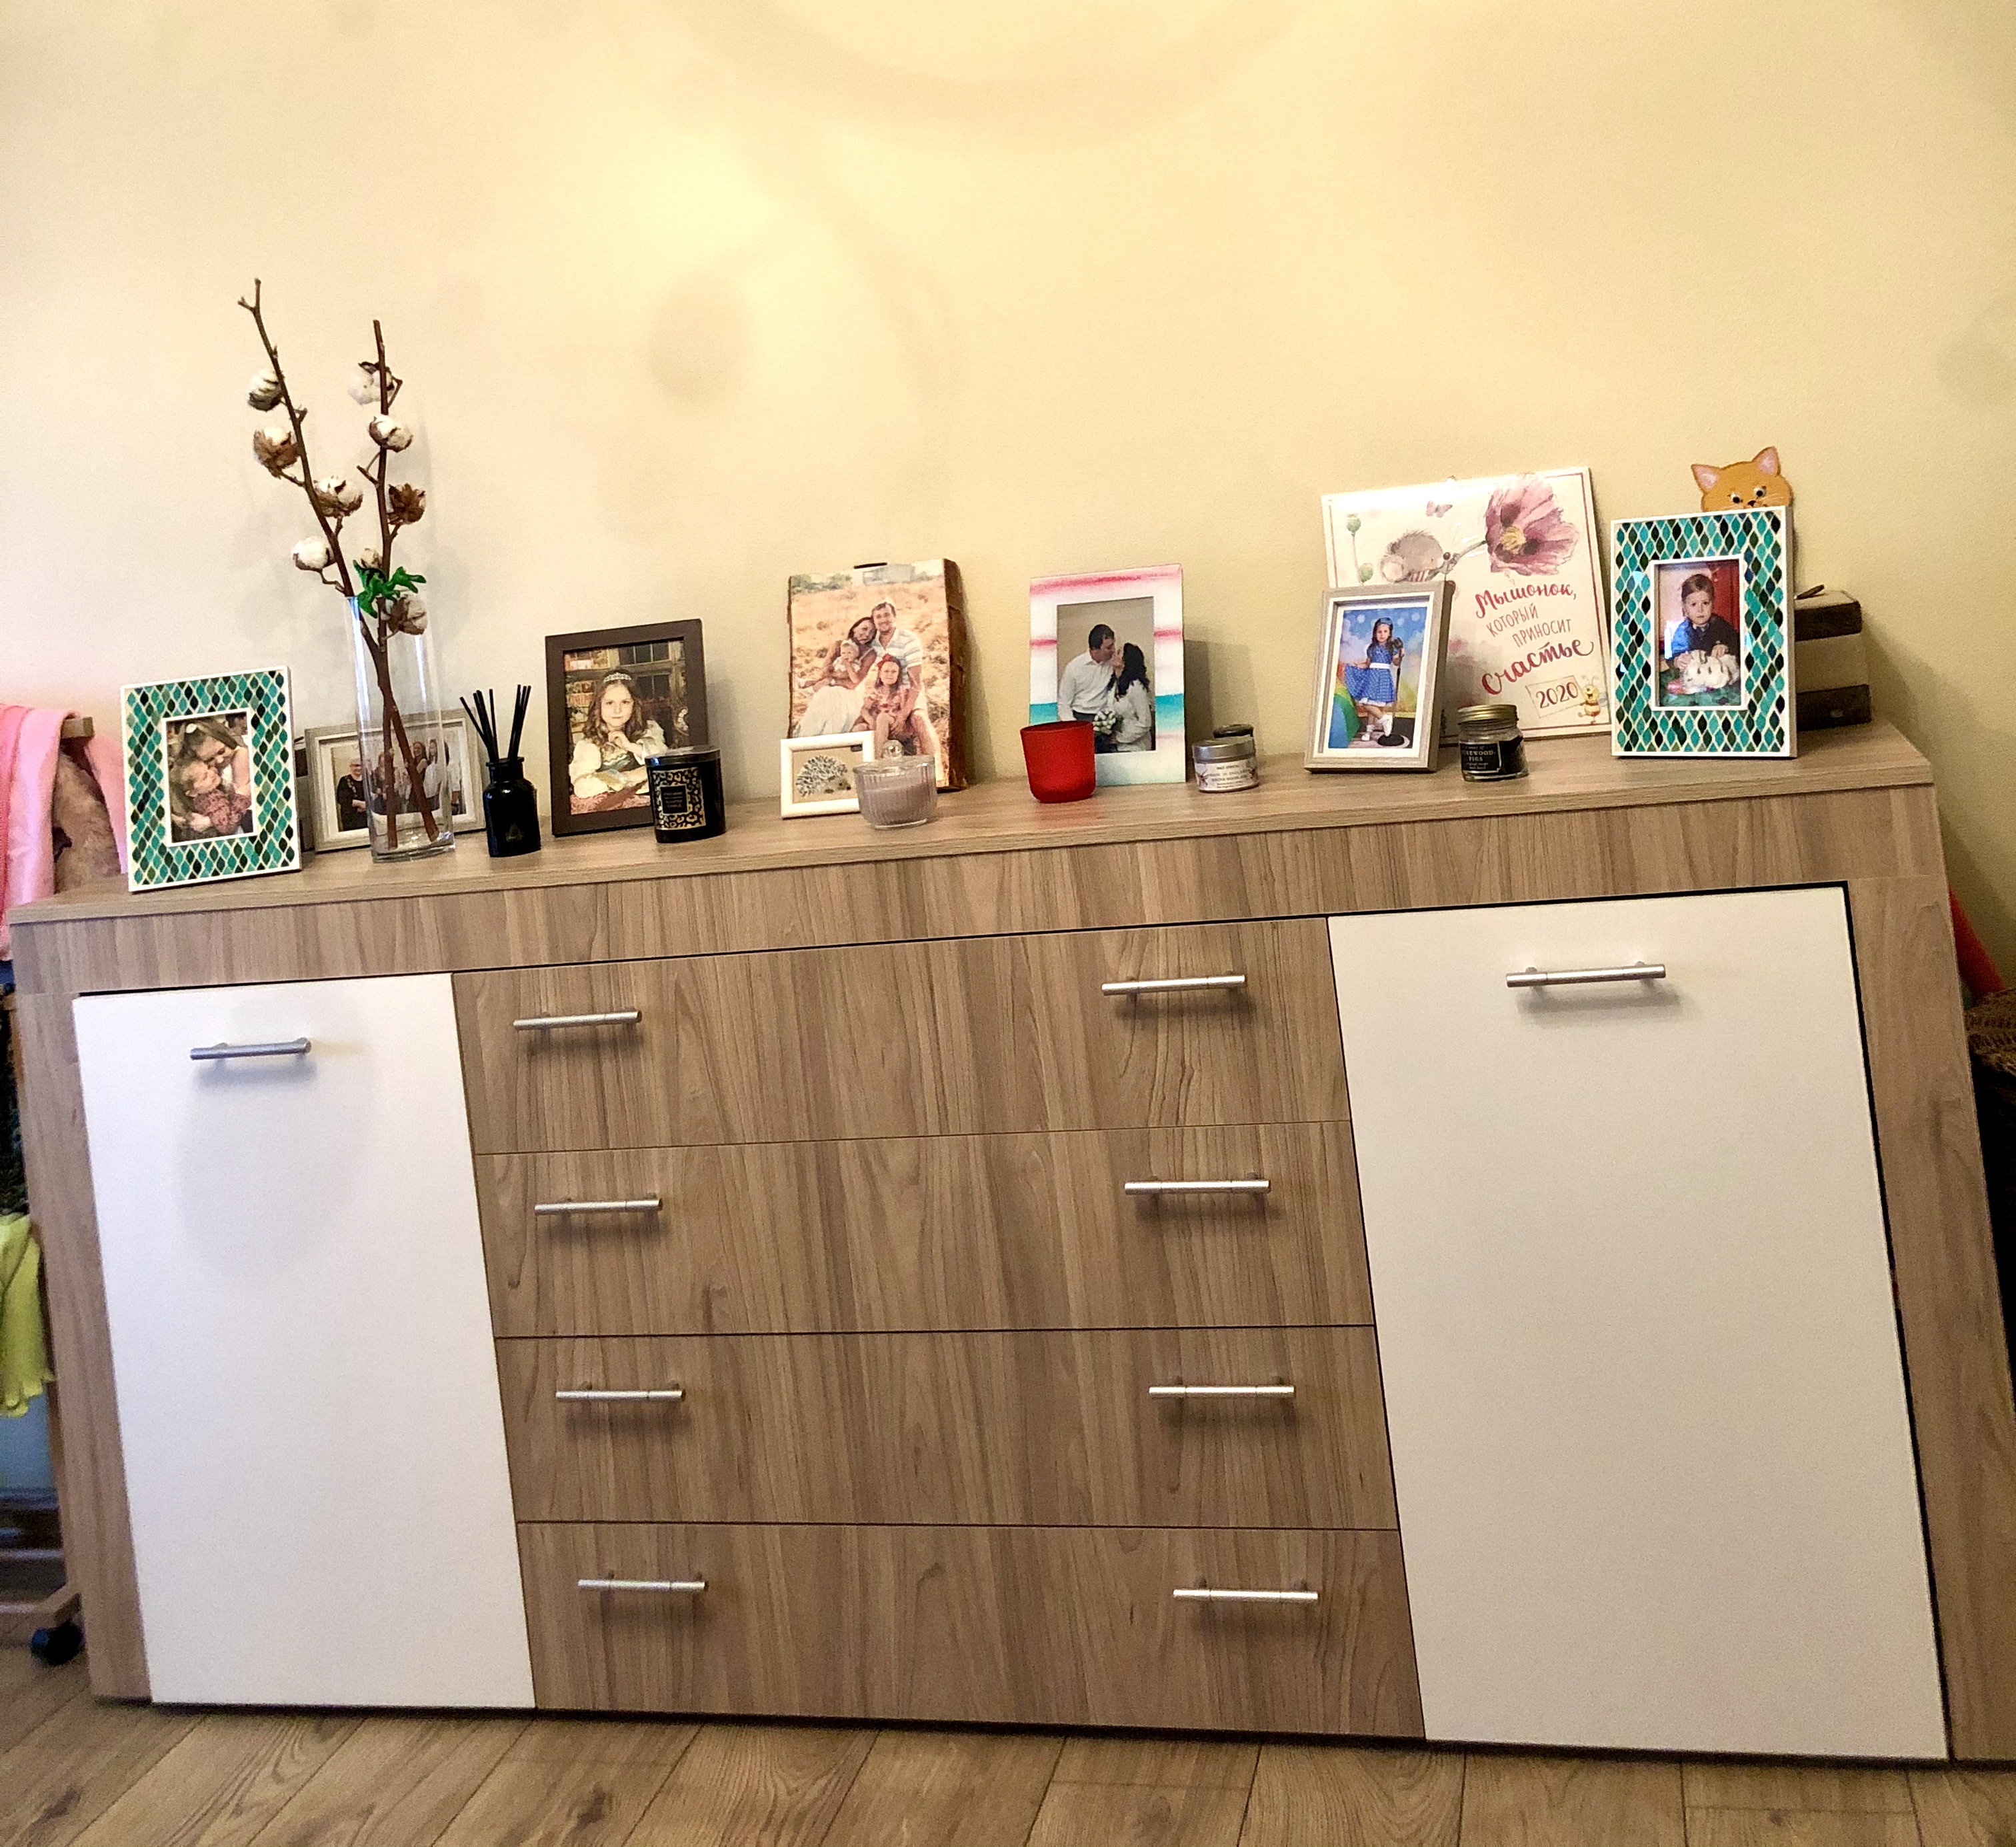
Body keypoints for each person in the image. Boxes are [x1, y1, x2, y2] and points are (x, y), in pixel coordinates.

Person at [569, 669, 666, 807]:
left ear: (635, 705)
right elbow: (582, 787)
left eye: (625, 702)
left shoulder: (649, 730)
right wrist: (630, 776)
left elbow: (663, 761)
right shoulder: (591, 743)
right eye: (610, 703)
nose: (617, 710)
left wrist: (630, 746)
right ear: (599, 705)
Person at [857, 653, 942, 763]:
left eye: (894, 672)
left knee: (883, 717)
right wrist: (871, 721)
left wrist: (896, 719)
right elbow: (864, 709)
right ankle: (862, 759)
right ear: (880, 674)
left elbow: (903, 712)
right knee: (859, 728)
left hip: (897, 726)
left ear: (898, 675)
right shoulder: (876, 692)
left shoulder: (902, 691)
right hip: (880, 726)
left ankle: (879, 758)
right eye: (886, 671)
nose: (890, 675)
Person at [796, 628, 874, 737]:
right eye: (864, 629)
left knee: (836, 698)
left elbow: (854, 681)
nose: (866, 634)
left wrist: (844, 669)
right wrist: (833, 674)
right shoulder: (839, 651)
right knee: (825, 693)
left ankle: (829, 732)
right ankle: (810, 731)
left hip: (848, 689)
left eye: (871, 632)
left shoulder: (859, 661)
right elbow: (827, 670)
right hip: (832, 683)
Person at [167, 744, 253, 842]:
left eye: (208, 768)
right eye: (205, 777)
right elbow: (228, 826)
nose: (212, 773)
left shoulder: (210, 792)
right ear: (191, 793)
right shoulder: (211, 800)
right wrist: (240, 797)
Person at [1056, 623, 1119, 752]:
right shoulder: (1074, 667)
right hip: (1080, 719)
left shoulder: (1113, 664)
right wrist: (1074, 729)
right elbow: (1064, 703)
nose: (1113, 650)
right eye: (1109, 647)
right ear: (1095, 649)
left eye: (1113, 645)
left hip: (1105, 720)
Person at [1344, 617, 1404, 745]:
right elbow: (1368, 664)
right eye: (1379, 632)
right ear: (1375, 633)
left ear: (1389, 633)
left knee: (1376, 706)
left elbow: (1396, 663)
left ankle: (1383, 721)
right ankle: (1372, 729)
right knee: (1368, 704)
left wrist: (1400, 656)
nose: (1382, 634)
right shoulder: (1371, 648)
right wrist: (1357, 665)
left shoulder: (1392, 647)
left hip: (1383, 677)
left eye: (1385, 631)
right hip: (1371, 677)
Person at [1668, 572, 1737, 665]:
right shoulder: (1683, 631)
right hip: (1694, 672)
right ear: (1685, 607)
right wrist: (1677, 661)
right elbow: (1672, 656)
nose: (1700, 610)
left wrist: (1725, 647)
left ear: (1713, 603)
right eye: (1693, 604)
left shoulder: (1720, 624)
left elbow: (1736, 641)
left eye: (1705, 603)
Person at [1109, 641, 1155, 751]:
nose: (1114, 654)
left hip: (1135, 747)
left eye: (1119, 653)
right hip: (1117, 747)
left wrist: (1121, 738)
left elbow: (1145, 723)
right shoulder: (1113, 684)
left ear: (1126, 661)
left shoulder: (1136, 686)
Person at [333, 757, 368, 833]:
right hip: (351, 821)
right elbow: (342, 800)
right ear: (351, 767)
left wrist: (366, 806)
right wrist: (361, 804)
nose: (359, 768)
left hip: (368, 819)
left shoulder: (368, 780)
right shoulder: (344, 781)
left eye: (361, 766)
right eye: (356, 766)